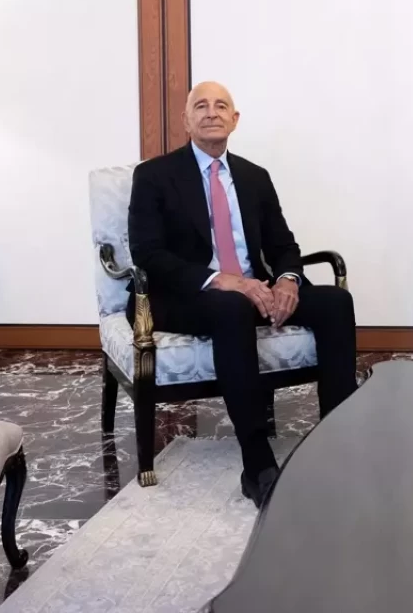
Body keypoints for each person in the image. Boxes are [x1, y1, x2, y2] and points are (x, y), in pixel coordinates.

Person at [127, 81, 358, 507]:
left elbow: (283, 245)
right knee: (232, 306)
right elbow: (147, 253)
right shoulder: (154, 176)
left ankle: (337, 444)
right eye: (200, 106)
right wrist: (220, 279)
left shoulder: (254, 177)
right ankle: (257, 462)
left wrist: (287, 279)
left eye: (221, 106)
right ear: (186, 120)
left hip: (252, 291)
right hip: (182, 295)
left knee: (335, 303)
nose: (211, 112)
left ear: (234, 120)